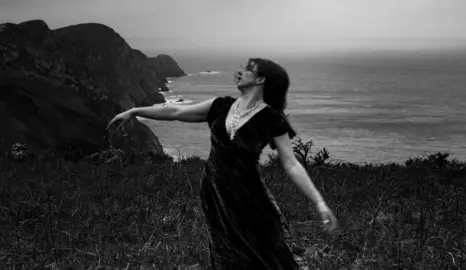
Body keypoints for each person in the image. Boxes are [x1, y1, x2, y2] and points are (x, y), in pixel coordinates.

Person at [106, 58, 339, 269]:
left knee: (265, 249)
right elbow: (176, 110)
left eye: (249, 69)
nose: (240, 71)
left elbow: (291, 163)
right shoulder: (220, 106)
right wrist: (135, 111)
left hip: (248, 194)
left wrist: (319, 202)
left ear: (260, 79)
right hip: (213, 190)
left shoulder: (271, 118)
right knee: (224, 249)